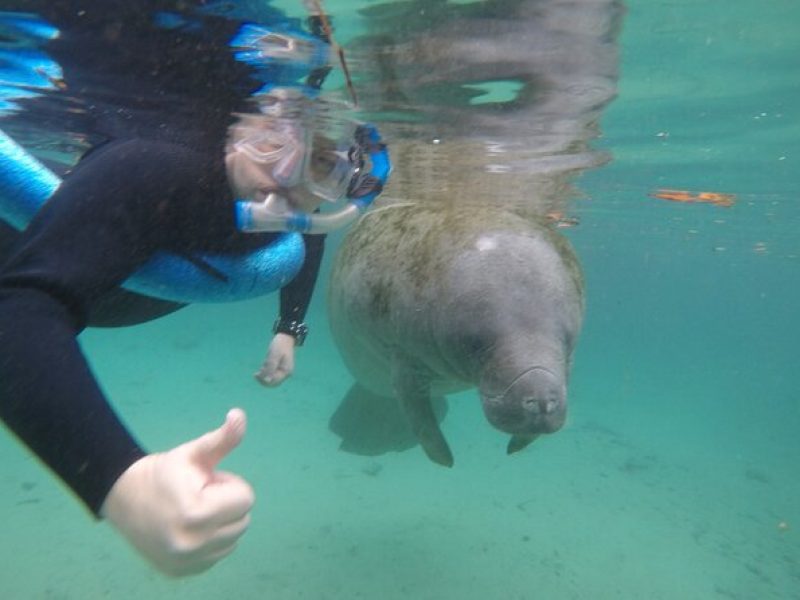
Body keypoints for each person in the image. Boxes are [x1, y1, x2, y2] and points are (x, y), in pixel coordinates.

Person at [0, 1, 387, 577]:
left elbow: (307, 243)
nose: (285, 173)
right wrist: (120, 480)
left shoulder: (289, 221)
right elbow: (18, 313)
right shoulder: (155, 167)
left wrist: (290, 329)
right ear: (246, 123)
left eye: (324, 165)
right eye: (272, 141)